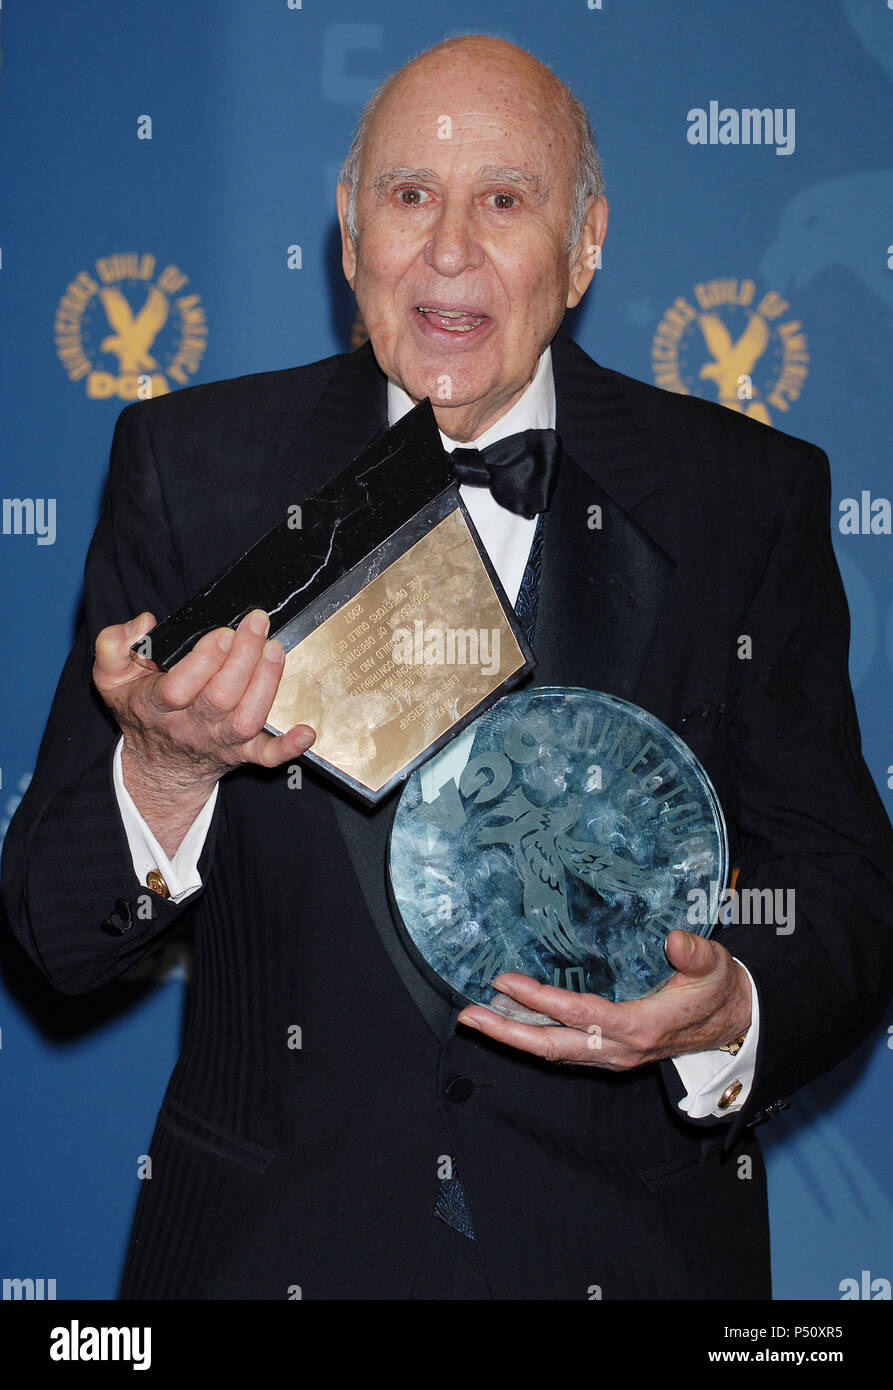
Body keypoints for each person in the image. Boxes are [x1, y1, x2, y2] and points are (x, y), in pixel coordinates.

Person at [4, 35, 892, 1301]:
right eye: (409, 195)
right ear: (348, 232)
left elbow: (837, 894)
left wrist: (734, 1001)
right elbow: (54, 924)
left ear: (584, 247)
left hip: (627, 1264)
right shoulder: (190, 471)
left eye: (505, 200)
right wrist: (160, 762)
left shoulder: (745, 497)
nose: (450, 249)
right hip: (270, 1258)